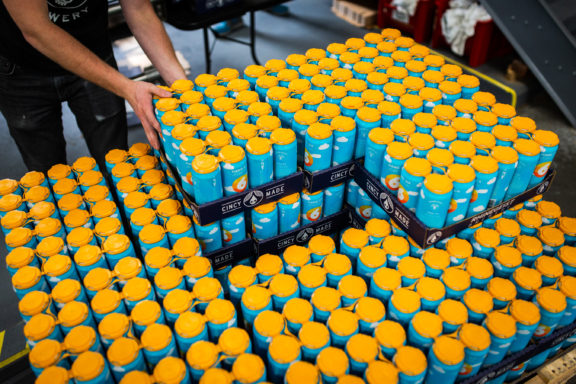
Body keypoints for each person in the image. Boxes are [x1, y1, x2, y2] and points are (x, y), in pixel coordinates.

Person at [0, 0, 186, 173]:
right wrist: (127, 88)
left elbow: (138, 9)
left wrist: (183, 89)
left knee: (116, 162)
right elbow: (36, 29)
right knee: (47, 175)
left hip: (94, 53)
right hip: (22, 68)